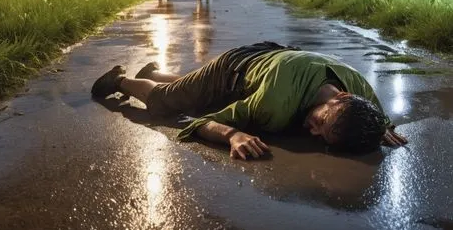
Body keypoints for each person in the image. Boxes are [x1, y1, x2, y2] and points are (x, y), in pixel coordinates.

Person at [91, 42, 408, 159]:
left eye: (323, 136)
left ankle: (156, 72)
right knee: (168, 102)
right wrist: (232, 133)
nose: (313, 131)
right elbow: (201, 122)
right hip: (231, 69)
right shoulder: (272, 105)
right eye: (322, 121)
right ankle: (120, 79)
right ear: (341, 98)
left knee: (191, 92)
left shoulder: (359, 91)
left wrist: (382, 126)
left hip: (277, 56)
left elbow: (375, 118)